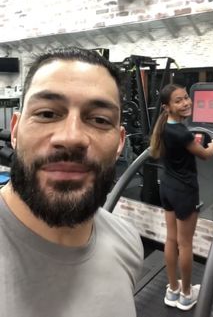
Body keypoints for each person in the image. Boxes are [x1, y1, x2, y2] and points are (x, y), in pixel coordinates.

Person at [0, 47, 144, 317]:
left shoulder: (128, 243)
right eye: (46, 114)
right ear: (16, 131)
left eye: (100, 120)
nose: (72, 137)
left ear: (119, 143)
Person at [150, 83, 213, 311]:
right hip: (184, 192)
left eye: (186, 98)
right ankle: (187, 294)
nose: (186, 103)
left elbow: (183, 147)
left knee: (171, 240)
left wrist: (193, 143)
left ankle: (173, 289)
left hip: (168, 188)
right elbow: (205, 155)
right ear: (167, 107)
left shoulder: (165, 128)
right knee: (185, 244)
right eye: (178, 101)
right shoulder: (181, 133)